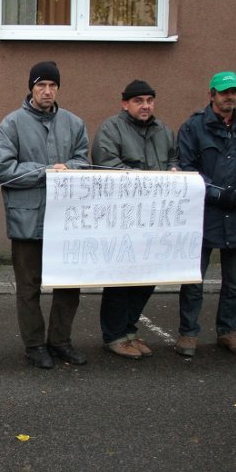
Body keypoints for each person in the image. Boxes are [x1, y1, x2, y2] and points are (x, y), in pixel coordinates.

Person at [0, 61, 89, 369]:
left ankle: (60, 341)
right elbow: (3, 171)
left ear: (58, 88)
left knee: (69, 286)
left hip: (66, 221)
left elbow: (83, 162)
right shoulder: (12, 124)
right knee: (29, 288)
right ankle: (34, 345)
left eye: (52, 85)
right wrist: (45, 171)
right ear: (31, 88)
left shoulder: (74, 124)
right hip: (27, 221)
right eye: (40, 85)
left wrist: (69, 168)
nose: (46, 91)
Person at [176, 71, 236, 358]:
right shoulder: (193, 127)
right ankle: (188, 333)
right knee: (194, 278)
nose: (229, 96)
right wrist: (212, 191)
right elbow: (186, 166)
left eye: (234, 91)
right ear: (212, 95)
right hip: (203, 212)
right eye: (224, 91)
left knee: (234, 282)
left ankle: (228, 330)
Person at [91, 80, 179, 359]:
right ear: (125, 103)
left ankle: (130, 330)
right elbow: (108, 166)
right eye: (139, 100)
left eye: (150, 100)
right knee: (120, 279)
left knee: (146, 278)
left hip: (154, 221)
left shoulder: (163, 131)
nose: (145, 105)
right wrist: (154, 181)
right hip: (123, 220)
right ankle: (114, 335)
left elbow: (173, 161)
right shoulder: (110, 129)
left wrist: (175, 170)